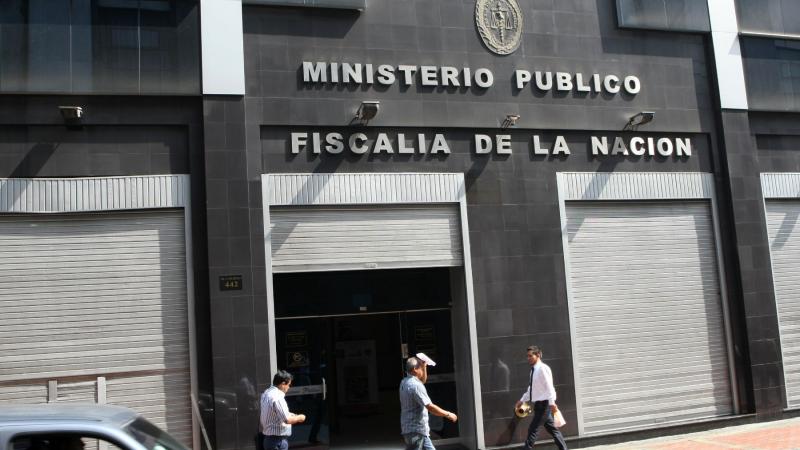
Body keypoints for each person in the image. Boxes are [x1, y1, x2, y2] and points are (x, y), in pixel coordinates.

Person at [399, 354, 458, 450]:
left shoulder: (405, 382)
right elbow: (430, 407)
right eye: (420, 368)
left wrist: (424, 367)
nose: (422, 370)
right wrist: (448, 414)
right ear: (415, 369)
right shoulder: (415, 386)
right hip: (416, 430)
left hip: (415, 430)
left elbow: (422, 381)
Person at [515, 346, 568, 450]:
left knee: (533, 429)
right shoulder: (533, 370)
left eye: (531, 356)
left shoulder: (542, 369)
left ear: (538, 355)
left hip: (544, 405)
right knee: (553, 430)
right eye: (527, 356)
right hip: (539, 405)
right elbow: (531, 389)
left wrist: (552, 403)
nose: (528, 358)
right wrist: (522, 400)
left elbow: (549, 387)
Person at [260, 370, 307, 450]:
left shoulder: (266, 393)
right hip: (277, 441)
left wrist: (290, 414)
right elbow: (287, 420)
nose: (289, 387)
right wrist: (301, 417)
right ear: (283, 384)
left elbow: (274, 412)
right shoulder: (277, 396)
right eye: (289, 385)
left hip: (269, 440)